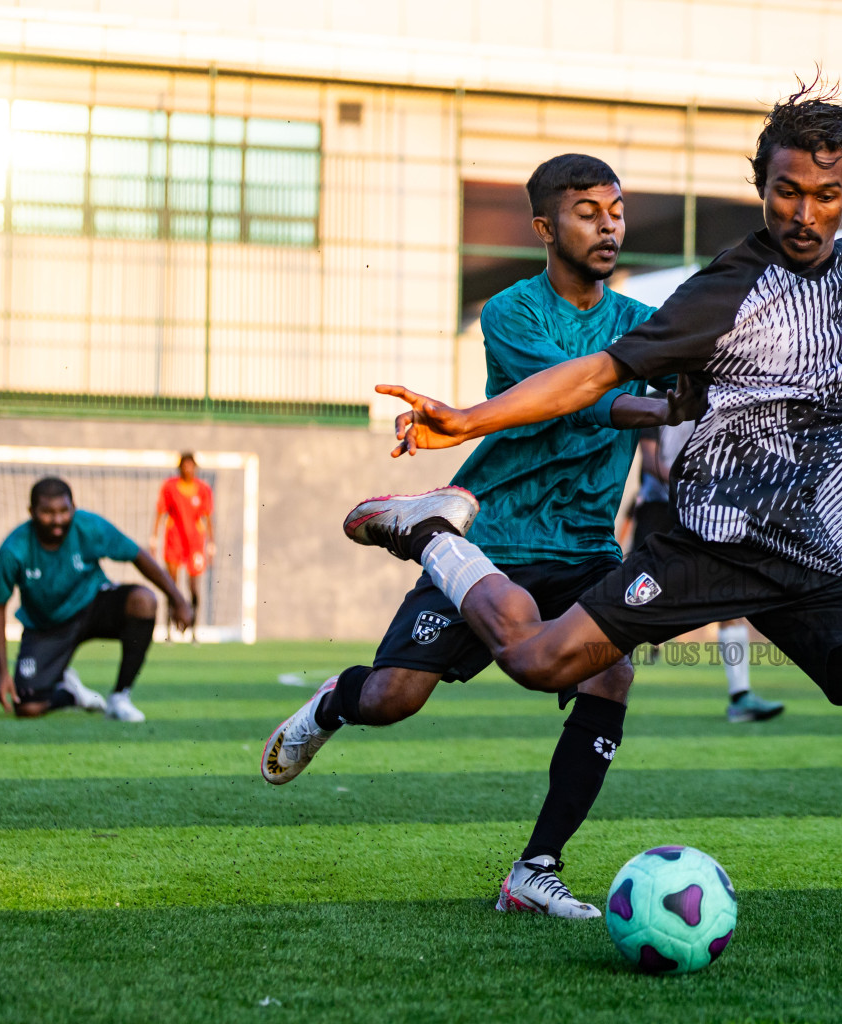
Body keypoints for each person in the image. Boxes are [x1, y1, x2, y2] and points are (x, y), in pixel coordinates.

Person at [352, 81, 842, 966]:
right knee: (535, 661)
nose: (805, 212)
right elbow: (597, 372)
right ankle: (434, 536)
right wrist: (470, 421)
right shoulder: (727, 288)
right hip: (706, 548)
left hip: (816, 567)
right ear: (763, 187)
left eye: (825, 195)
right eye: (787, 190)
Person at [260, 153, 704, 919]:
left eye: (617, 210)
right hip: (488, 536)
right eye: (587, 212)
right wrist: (664, 405)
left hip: (588, 546)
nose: (608, 225)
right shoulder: (511, 313)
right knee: (396, 697)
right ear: (544, 227)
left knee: (611, 674)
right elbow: (572, 399)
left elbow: (684, 383)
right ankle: (335, 702)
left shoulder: (642, 325)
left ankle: (535, 868)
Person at [0, 477, 192, 721]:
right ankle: (70, 694)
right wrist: (0, 672)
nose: (58, 519)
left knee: (143, 601)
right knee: (27, 707)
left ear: (73, 506)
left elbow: (137, 555)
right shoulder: (14, 549)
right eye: (47, 513)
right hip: (47, 626)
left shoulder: (89, 526)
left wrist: (178, 599)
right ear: (31, 512)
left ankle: (120, 696)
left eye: (64, 510)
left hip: (92, 604)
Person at [634, 422, 785, 723]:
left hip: (704, 516)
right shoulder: (654, 402)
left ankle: (741, 696)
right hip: (659, 513)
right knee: (634, 599)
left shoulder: (713, 402)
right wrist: (690, 485)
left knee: (730, 598)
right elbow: (650, 458)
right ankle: (599, 683)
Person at [151, 452, 214, 642]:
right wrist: (154, 538)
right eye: (185, 465)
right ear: (180, 468)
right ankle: (169, 630)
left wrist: (211, 544)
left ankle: (193, 630)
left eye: (191, 466)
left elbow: (208, 517)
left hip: (195, 542)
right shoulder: (170, 487)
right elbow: (160, 513)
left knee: (194, 587)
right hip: (174, 540)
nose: (188, 469)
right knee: (171, 585)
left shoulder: (203, 489)